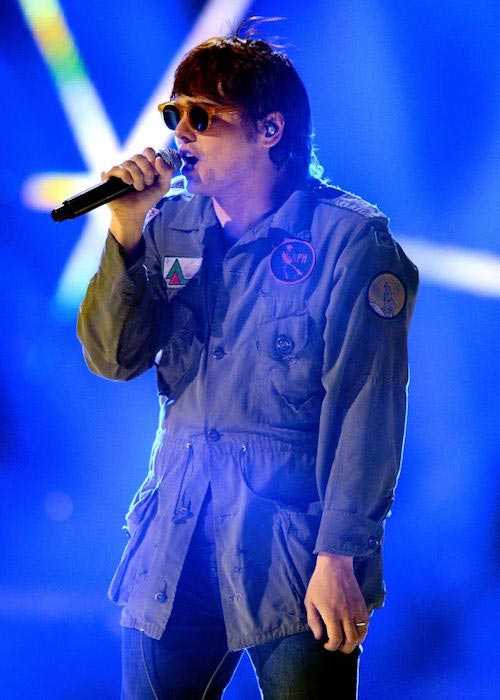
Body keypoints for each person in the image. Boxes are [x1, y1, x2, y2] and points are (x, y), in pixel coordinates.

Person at [77, 19, 418, 700]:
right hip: (173, 539)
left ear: (270, 130)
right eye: (175, 113)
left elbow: (366, 412)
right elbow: (115, 358)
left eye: (203, 115)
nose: (181, 132)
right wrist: (124, 232)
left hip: (291, 553)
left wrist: (340, 555)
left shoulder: (350, 242)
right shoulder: (171, 225)